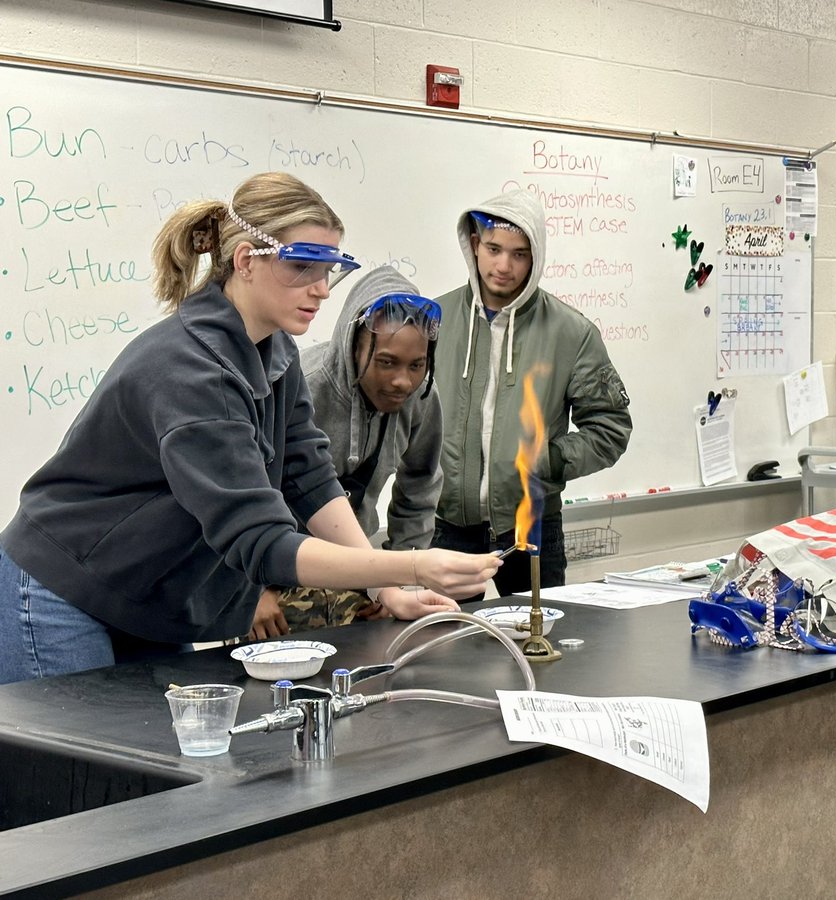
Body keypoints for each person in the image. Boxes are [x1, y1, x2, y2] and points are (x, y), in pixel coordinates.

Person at [0, 172, 499, 684]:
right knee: (70, 760)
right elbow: (263, 543)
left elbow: (308, 478)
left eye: (331, 270)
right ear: (245, 262)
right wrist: (410, 568)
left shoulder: (273, 351)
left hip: (148, 594)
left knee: (152, 756)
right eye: (304, 267)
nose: (322, 290)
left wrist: (384, 589)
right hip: (58, 586)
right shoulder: (193, 372)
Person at [432, 189, 632, 599]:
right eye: (493, 249)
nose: (504, 265)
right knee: (444, 647)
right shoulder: (434, 321)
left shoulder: (571, 333)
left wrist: (547, 460)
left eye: (519, 254)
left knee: (537, 648)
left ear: (535, 256)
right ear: (474, 245)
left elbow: (610, 426)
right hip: (447, 525)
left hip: (533, 527)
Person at [251, 266, 446, 638]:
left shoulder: (419, 398)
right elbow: (238, 496)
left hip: (356, 578)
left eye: (416, 365)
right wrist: (250, 592)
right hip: (273, 584)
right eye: (386, 362)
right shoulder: (300, 387)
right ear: (352, 346)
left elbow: (420, 488)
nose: (402, 380)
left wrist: (398, 582)